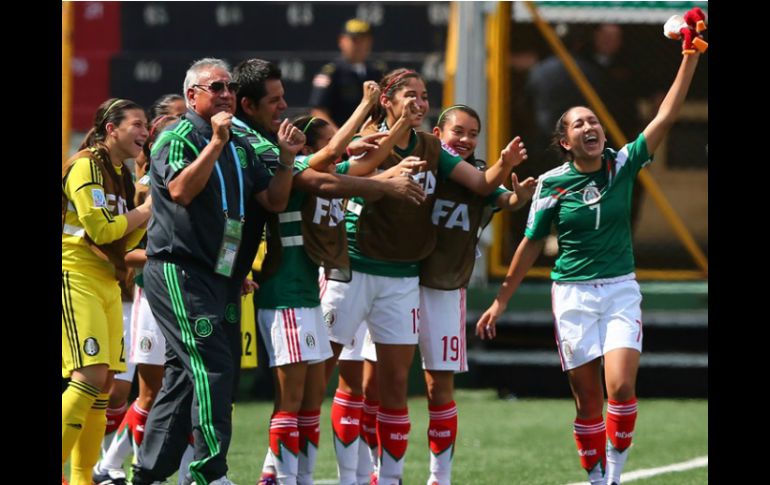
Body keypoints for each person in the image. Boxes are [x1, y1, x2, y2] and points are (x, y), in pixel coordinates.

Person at [476, 47, 704, 485]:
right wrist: (501, 300)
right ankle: (596, 477)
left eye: (593, 121)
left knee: (619, 388)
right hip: (573, 295)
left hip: (619, 289)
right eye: (579, 123)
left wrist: (689, 58)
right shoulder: (551, 184)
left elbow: (667, 115)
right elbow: (529, 245)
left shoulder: (622, 164)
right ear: (566, 141)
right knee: (586, 400)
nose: (590, 126)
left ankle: (613, 478)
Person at [320, 68, 528, 485]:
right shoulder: (370, 137)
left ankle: (395, 477)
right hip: (354, 269)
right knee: (326, 379)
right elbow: (343, 179)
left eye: (423, 94)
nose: (418, 100)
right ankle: (302, 471)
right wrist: (387, 179)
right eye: (409, 95)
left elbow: (483, 184)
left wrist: (505, 169)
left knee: (398, 384)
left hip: (406, 278)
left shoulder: (434, 149)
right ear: (388, 100)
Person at [230, 59, 424, 485]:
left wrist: (391, 133)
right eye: (274, 100)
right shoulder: (297, 172)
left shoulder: (317, 171)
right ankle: (277, 476)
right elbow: (335, 156)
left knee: (307, 399)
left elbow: (354, 161)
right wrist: (366, 105)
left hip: (306, 296)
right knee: (294, 398)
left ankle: (295, 477)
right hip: (288, 292)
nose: (340, 153)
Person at [130, 57, 299, 485]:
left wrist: (285, 159)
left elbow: (274, 201)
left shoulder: (241, 145)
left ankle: (147, 474)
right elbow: (181, 191)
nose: (225, 94)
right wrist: (216, 144)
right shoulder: (178, 135)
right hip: (180, 270)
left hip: (221, 276)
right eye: (215, 87)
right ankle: (208, 473)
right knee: (213, 368)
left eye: (228, 87)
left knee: (185, 378)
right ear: (192, 96)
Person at [414, 104, 536, 485]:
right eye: (458, 132)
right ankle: (375, 472)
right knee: (379, 380)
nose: (466, 140)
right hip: (399, 282)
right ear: (438, 133)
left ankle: (440, 476)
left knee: (439, 386)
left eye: (473, 133)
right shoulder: (421, 164)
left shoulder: (479, 173)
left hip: (446, 288)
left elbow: (499, 197)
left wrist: (519, 196)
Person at [92, 112, 194, 485]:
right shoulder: (145, 188)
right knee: (147, 392)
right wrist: (167, 258)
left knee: (186, 387)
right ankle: (117, 464)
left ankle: (176, 470)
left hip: (186, 292)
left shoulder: (192, 182)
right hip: (152, 296)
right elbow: (124, 251)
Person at [62, 97, 153, 485]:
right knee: (88, 377)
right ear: (110, 129)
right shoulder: (85, 166)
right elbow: (100, 231)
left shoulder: (121, 173)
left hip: (108, 280)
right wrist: (148, 211)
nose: (145, 132)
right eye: (136, 124)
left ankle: (83, 479)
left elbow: (122, 238)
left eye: (146, 125)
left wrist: (147, 210)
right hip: (75, 273)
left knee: (105, 387)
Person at [308, 18, 386, 129]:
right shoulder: (331, 73)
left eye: (364, 40)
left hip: (370, 137)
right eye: (354, 40)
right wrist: (339, 138)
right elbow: (318, 112)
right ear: (342, 41)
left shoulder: (377, 71)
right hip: (340, 137)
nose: (360, 45)